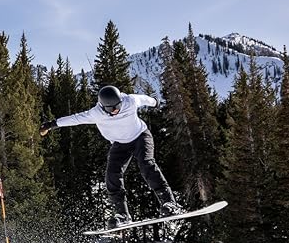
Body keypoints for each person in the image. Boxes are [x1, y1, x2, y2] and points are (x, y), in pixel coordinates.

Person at [40, 85, 183, 228]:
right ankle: (122, 215)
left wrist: (155, 102)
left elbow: (145, 99)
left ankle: (169, 203)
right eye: (111, 109)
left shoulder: (130, 100)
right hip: (120, 145)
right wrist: (50, 125)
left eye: (118, 106)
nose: (115, 110)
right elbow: (75, 119)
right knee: (112, 175)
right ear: (102, 107)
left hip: (140, 137)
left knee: (147, 164)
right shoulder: (96, 113)